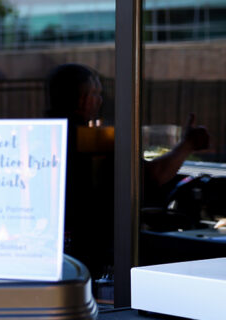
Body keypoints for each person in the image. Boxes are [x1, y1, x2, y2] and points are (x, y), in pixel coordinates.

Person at [45, 64, 209, 279]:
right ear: (83, 99)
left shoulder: (40, 137)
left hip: (48, 250)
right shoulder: (96, 142)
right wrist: (187, 145)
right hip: (93, 252)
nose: (100, 100)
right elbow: (152, 176)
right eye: (96, 94)